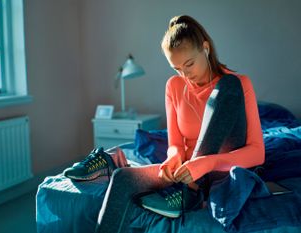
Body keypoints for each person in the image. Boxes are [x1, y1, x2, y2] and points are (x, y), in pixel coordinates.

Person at [63, 15, 265, 233]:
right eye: (177, 68)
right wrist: (174, 157)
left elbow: (257, 153)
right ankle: (187, 191)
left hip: (222, 171)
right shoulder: (174, 86)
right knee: (122, 178)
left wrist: (207, 163)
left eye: (189, 64)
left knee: (229, 85)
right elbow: (175, 143)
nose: (185, 74)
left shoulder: (238, 84)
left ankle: (191, 191)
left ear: (205, 49)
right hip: (186, 175)